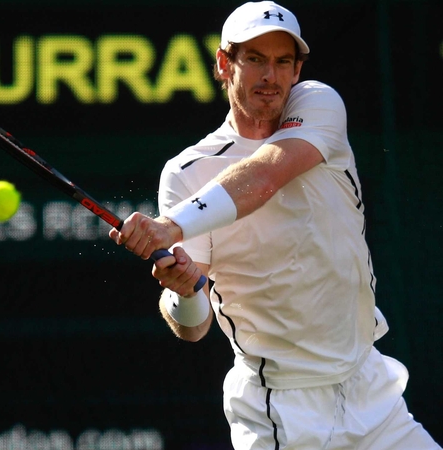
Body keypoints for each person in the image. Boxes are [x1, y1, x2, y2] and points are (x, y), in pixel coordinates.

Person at [109, 1, 441, 449]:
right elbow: (194, 326)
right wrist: (184, 290)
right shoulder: (186, 174)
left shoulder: (319, 104)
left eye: (283, 61)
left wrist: (171, 226)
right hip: (281, 413)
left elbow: (265, 173)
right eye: (255, 59)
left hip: (371, 390)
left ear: (297, 69)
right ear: (224, 65)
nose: (271, 76)